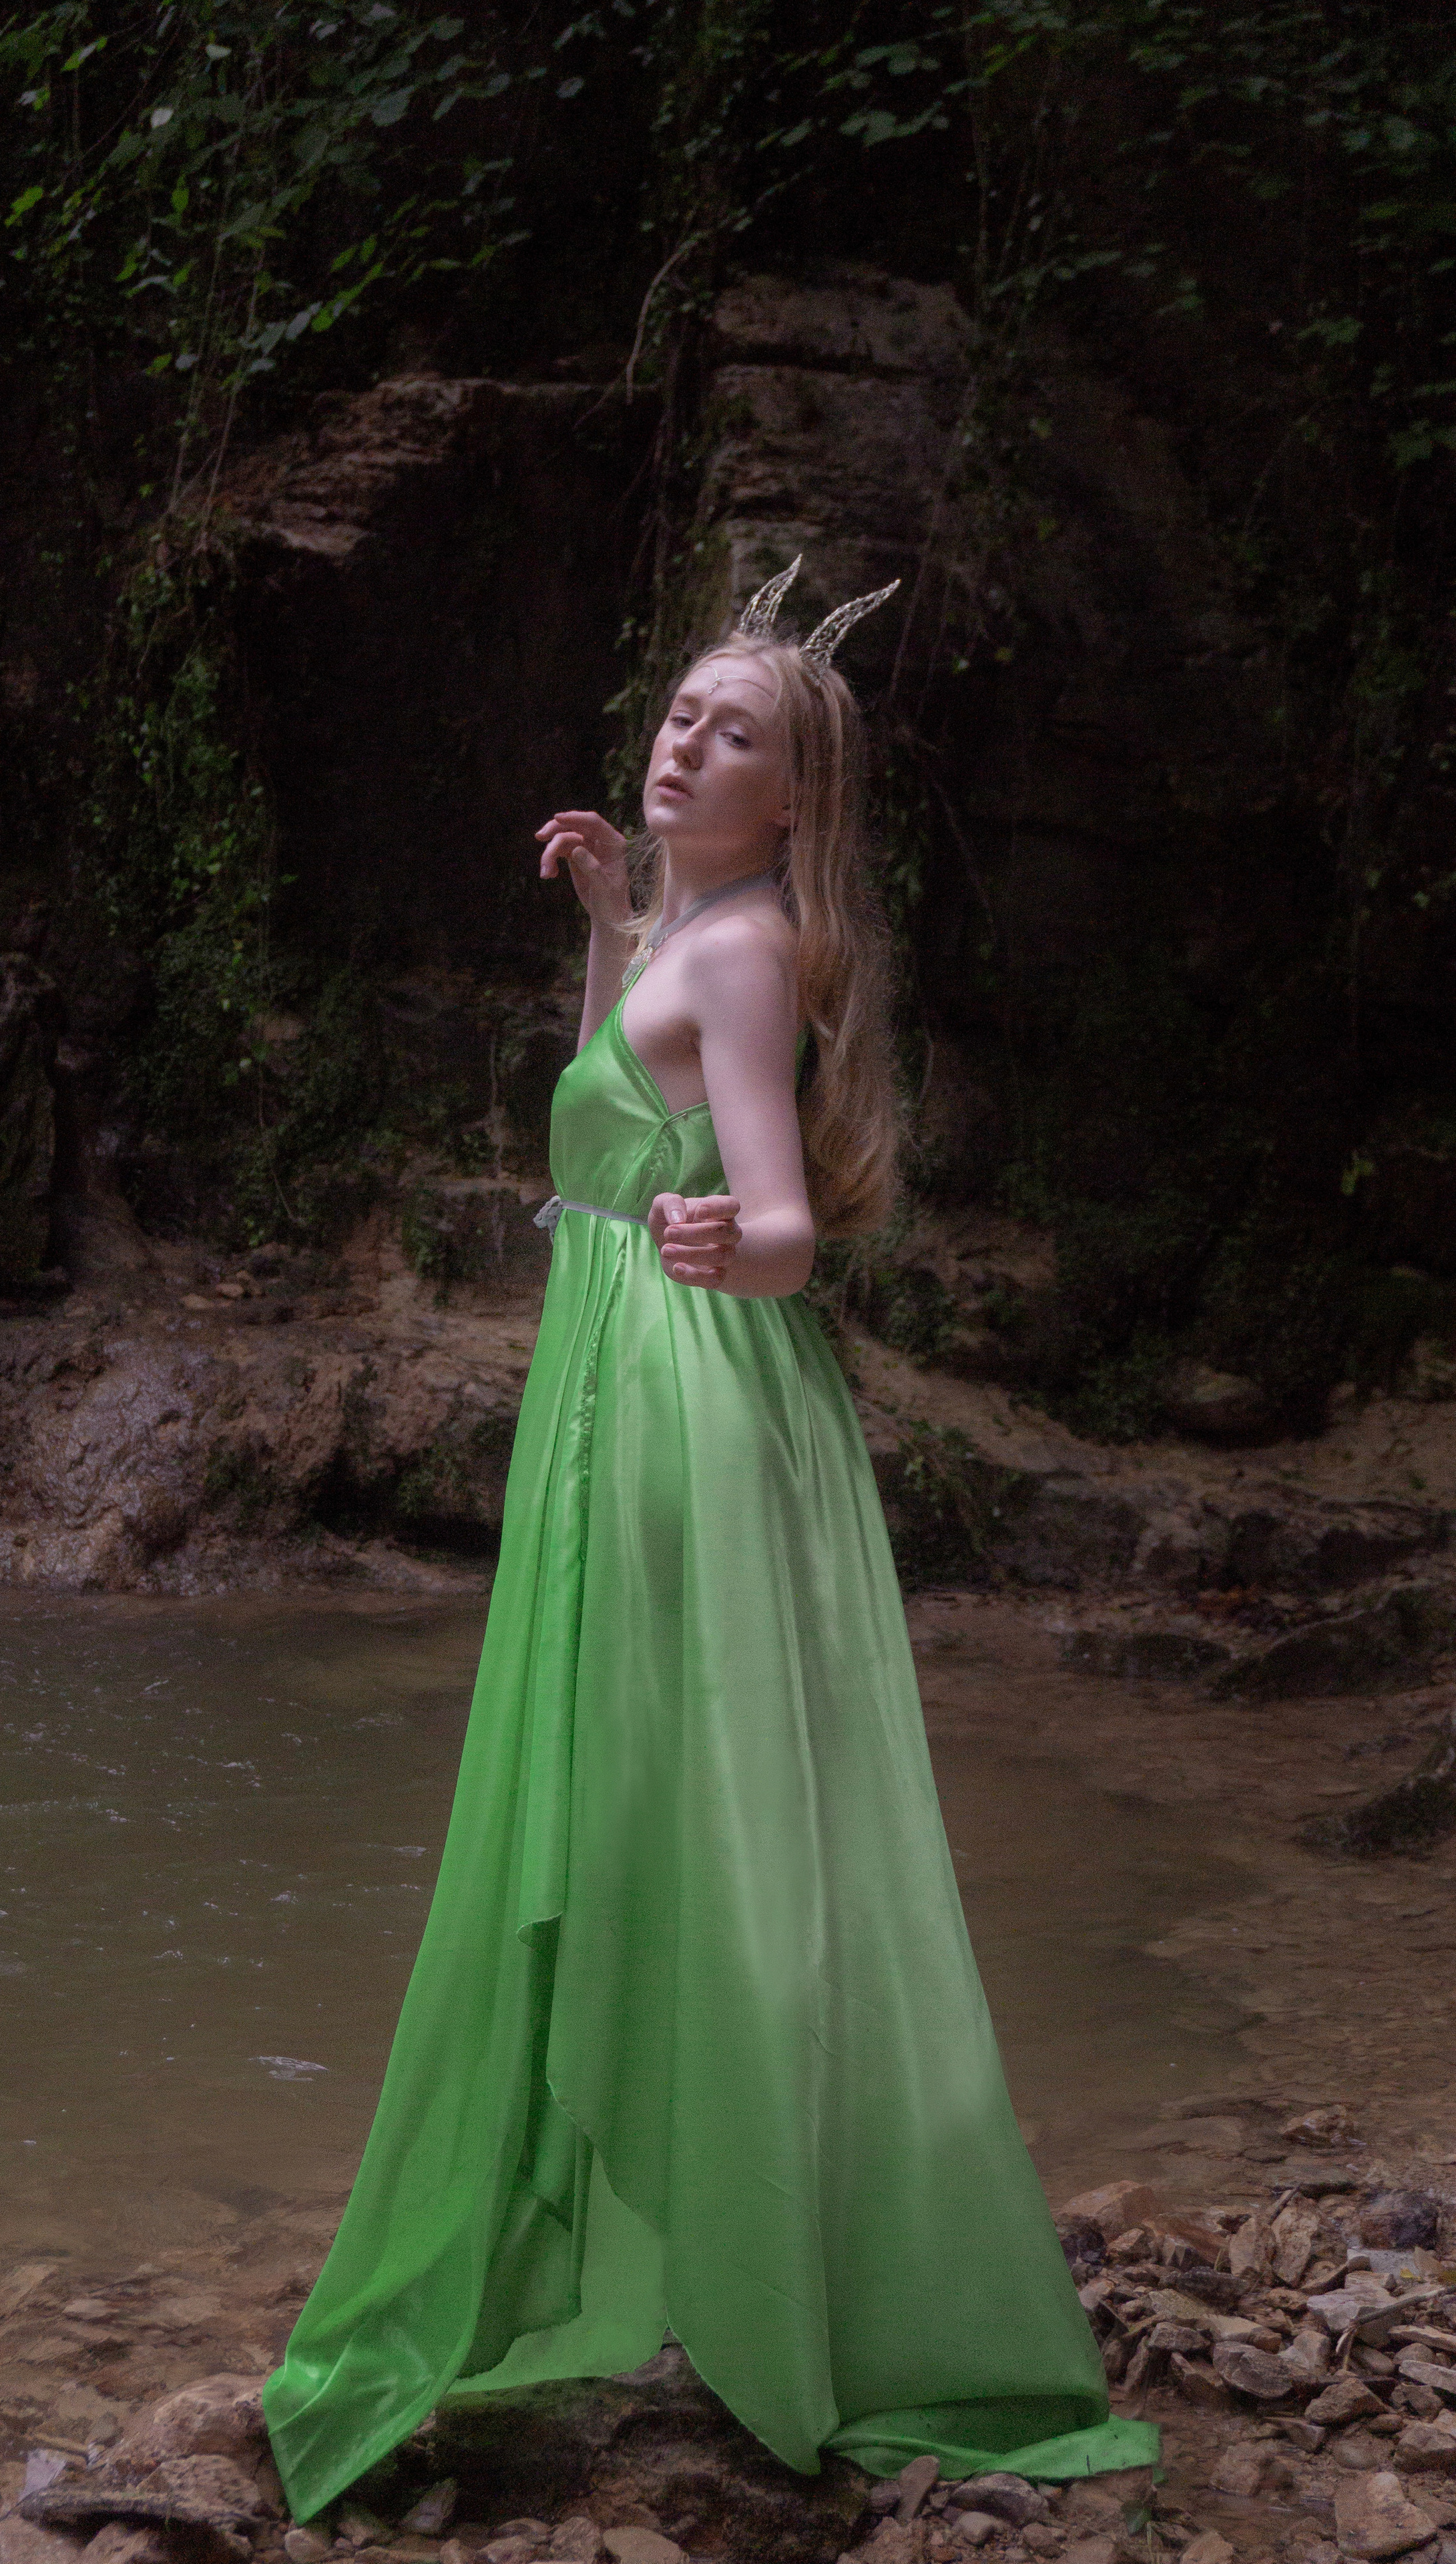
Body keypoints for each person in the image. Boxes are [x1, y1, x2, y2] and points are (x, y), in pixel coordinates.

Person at [262, 564, 1160, 2517]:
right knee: (650, 1797)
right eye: (680, 712)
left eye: (732, 731)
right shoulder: (689, 931)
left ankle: (758, 2260)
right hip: (627, 1371)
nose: (684, 743)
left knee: (679, 1804)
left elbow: (784, 1226)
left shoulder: (750, 956)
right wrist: (608, 931)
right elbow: (610, 1133)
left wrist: (721, 1246)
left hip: (684, 1391)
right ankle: (700, 2233)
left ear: (796, 797)